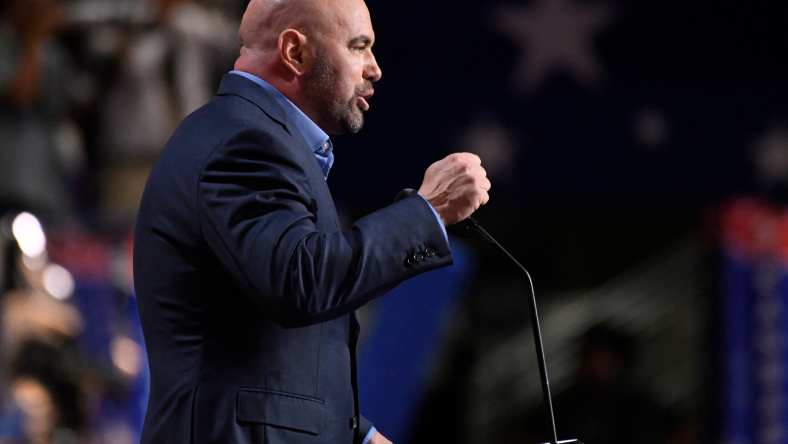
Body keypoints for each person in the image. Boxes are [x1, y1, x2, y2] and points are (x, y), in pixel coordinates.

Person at [133, 0, 491, 443]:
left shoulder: (255, 139)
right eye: (359, 47)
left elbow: (267, 354)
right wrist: (429, 210)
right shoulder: (243, 142)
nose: (375, 69)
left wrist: (354, 434)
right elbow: (300, 279)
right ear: (295, 52)